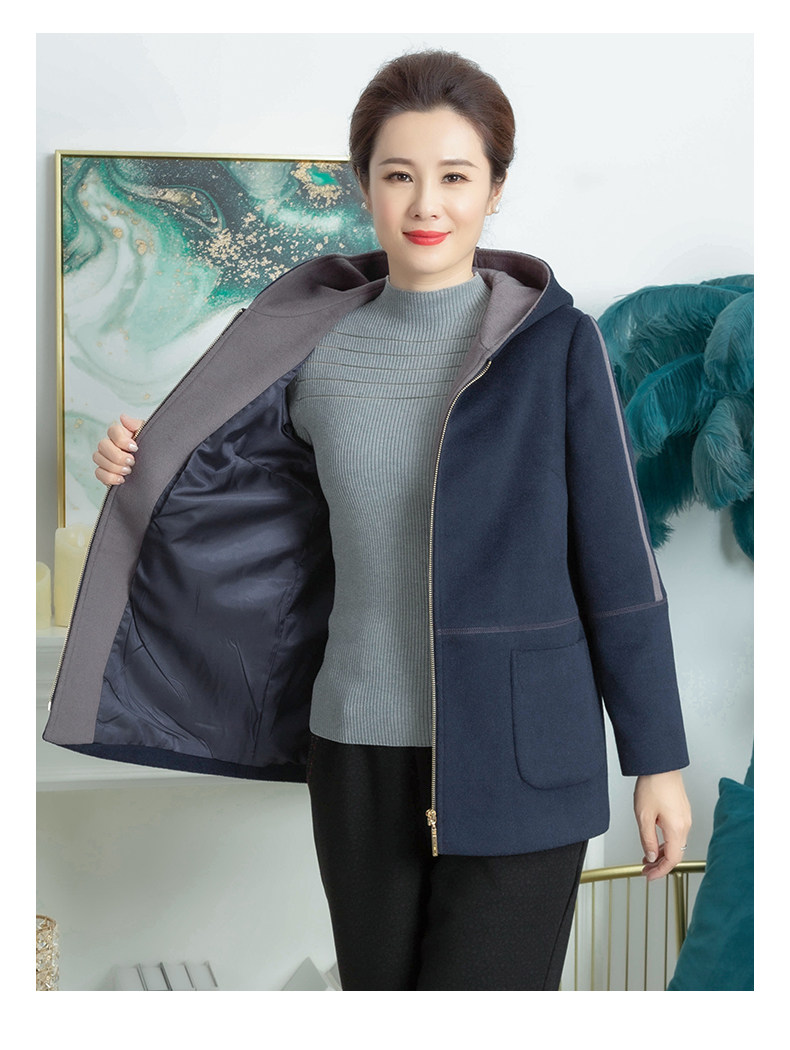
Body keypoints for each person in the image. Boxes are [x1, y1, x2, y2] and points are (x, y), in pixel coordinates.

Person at [45, 50, 692, 991]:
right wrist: (138, 460)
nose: (427, 204)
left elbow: (618, 564)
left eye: (455, 177)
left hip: (524, 755)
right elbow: (242, 493)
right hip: (356, 750)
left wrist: (658, 761)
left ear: (495, 190)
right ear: (364, 186)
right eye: (399, 175)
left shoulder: (557, 344)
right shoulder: (310, 342)